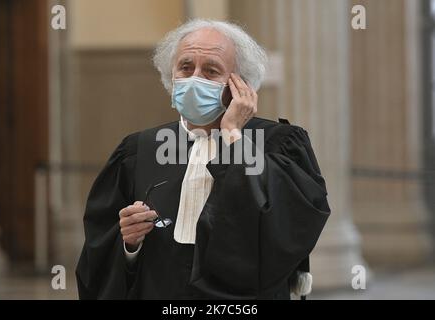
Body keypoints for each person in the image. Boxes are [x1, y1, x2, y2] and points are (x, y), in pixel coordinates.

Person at [75, 19, 330, 300]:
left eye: (211, 71)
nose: (195, 78)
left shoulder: (278, 145)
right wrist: (130, 244)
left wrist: (233, 133)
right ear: (171, 76)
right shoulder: (138, 150)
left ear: (239, 86)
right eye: (185, 67)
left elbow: (285, 232)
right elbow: (99, 256)